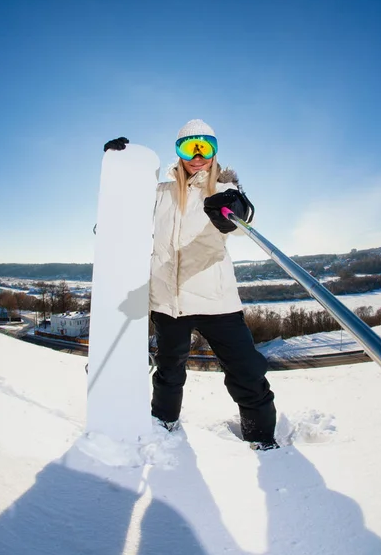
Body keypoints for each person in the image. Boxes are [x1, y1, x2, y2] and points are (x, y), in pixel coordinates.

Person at [104, 120, 277, 450]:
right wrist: (120, 169)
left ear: (214, 151)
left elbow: (243, 222)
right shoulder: (162, 194)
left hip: (216, 301)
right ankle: (164, 422)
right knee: (169, 371)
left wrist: (234, 210)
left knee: (246, 371)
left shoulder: (224, 190)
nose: (197, 156)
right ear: (179, 153)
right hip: (169, 302)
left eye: (205, 147)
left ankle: (261, 438)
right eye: (189, 148)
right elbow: (122, 210)